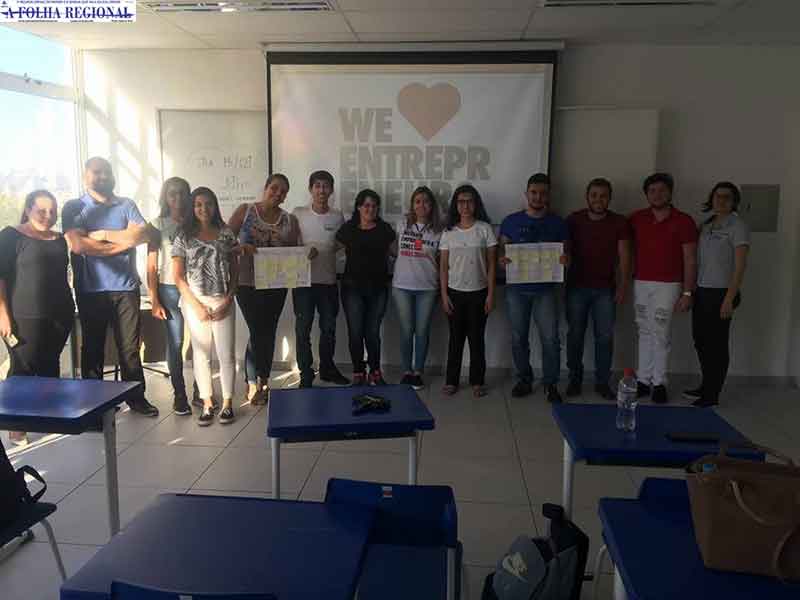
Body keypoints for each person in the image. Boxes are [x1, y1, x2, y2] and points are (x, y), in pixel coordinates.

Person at [62, 157, 158, 417]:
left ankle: (136, 398)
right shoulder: (74, 207)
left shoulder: (126, 205)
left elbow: (144, 234)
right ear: (85, 176)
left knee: (130, 349)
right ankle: (94, 403)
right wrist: (124, 242)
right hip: (89, 289)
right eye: (97, 172)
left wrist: (103, 236)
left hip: (126, 288)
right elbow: (78, 245)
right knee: (93, 347)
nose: (103, 176)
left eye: (107, 172)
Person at [0, 191, 74, 445]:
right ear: (28, 209)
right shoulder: (10, 236)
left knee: (50, 365)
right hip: (23, 316)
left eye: (52, 211)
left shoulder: (59, 239)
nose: (48, 216)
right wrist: (3, 314)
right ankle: (16, 425)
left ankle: (47, 416)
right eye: (42, 210)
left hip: (59, 314)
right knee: (22, 369)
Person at [228, 173, 302, 404]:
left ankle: (264, 380)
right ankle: (253, 381)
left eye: (283, 191)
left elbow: (294, 251)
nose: (278, 193)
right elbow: (224, 241)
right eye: (274, 188)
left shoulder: (290, 220)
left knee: (268, 330)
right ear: (266, 188)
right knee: (256, 329)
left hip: (276, 284)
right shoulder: (245, 211)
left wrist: (304, 255)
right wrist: (241, 247)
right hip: (246, 282)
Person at [498, 173, 569, 404]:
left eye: (543, 193)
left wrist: (566, 260)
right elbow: (502, 253)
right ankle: (524, 379)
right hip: (516, 290)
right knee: (518, 338)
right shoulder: (510, 221)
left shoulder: (558, 223)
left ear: (549, 196)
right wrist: (502, 261)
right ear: (526, 194)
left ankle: (551, 383)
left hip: (545, 291)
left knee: (550, 339)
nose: (538, 197)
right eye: (534, 192)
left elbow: (567, 255)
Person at [629, 172, 698, 404]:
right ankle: (643, 380)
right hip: (641, 283)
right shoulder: (637, 218)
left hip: (669, 285)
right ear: (646, 195)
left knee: (660, 332)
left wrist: (687, 292)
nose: (657, 195)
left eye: (662, 190)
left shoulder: (684, 221)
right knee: (644, 330)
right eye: (652, 191)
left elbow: (690, 259)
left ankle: (659, 382)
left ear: (670, 193)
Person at [172, 187, 238, 426]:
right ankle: (208, 402)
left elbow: (235, 269)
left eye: (208, 204)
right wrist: (197, 307)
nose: (203, 209)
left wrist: (228, 299)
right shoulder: (183, 235)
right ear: (192, 207)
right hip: (195, 302)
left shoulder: (226, 233)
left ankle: (228, 403)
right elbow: (178, 277)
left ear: (215, 205)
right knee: (201, 355)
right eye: (198, 204)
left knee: (226, 354)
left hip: (223, 301)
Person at [565, 178, 632, 400]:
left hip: (605, 290)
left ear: (609, 198)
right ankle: (574, 379)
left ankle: (602, 382)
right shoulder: (573, 220)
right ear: (587, 197)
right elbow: (563, 250)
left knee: (604, 338)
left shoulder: (619, 222)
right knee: (575, 336)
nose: (598, 199)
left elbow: (624, 257)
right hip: (576, 288)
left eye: (603, 196)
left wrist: (623, 286)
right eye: (594, 195)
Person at [684, 182, 750, 407]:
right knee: (700, 340)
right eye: (718, 196)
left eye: (727, 197)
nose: (721, 200)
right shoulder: (706, 225)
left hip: (722, 293)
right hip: (702, 291)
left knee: (717, 345)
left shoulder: (738, 226)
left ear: (734, 201)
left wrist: (729, 299)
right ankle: (706, 384)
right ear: (711, 199)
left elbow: (740, 266)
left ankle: (712, 394)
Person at [291, 171, 349, 388]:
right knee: (302, 330)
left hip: (328, 282)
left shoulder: (337, 216)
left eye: (326, 186)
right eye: (317, 186)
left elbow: (343, 242)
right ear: (310, 189)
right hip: (303, 282)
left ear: (331, 190)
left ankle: (327, 369)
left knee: (329, 329)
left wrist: (335, 247)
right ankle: (306, 373)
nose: (321, 190)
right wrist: (304, 251)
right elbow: (289, 243)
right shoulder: (298, 213)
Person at [440, 184, 497, 397]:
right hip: (454, 293)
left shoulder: (485, 229)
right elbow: (443, 266)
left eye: (469, 201)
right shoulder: (448, 232)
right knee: (455, 340)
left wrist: (491, 294)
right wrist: (444, 295)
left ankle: (477, 381)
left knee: (476, 339)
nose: (465, 206)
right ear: (456, 205)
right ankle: (451, 381)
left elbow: (492, 264)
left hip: (479, 293)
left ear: (476, 204)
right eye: (461, 201)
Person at [336, 189, 396, 386]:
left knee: (372, 333)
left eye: (374, 206)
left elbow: (397, 252)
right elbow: (331, 249)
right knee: (355, 332)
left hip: (378, 289)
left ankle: (375, 371)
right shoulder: (348, 229)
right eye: (366, 205)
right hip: (352, 288)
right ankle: (358, 371)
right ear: (359, 207)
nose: (371, 209)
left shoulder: (385, 229)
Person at [146, 177, 194, 416]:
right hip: (169, 289)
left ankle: (201, 391)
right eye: (173, 193)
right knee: (175, 343)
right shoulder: (157, 225)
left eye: (183, 192)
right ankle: (180, 394)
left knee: (202, 341)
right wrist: (154, 299)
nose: (178, 198)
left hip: (197, 289)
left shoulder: (197, 221)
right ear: (165, 197)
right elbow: (152, 265)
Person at [392, 186, 444, 390]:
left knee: (422, 331)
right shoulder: (402, 224)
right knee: (406, 330)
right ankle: (406, 371)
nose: (422, 205)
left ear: (432, 206)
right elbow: (393, 249)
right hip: (401, 286)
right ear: (412, 205)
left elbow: (441, 260)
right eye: (418, 201)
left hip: (427, 287)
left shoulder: (439, 231)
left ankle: (418, 372)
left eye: (426, 201)